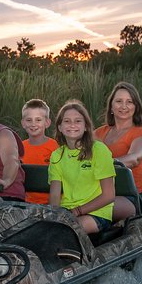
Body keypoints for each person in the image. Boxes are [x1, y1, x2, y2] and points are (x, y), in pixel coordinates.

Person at [49, 100, 115, 234]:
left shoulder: (99, 150)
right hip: (66, 212)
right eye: (67, 121)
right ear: (60, 127)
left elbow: (109, 195)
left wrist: (78, 211)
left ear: (86, 126)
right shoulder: (57, 155)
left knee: (68, 229)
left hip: (96, 213)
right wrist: (55, 215)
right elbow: (55, 195)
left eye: (78, 121)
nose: (72, 125)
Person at [94, 81, 142, 221]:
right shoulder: (98, 133)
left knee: (92, 206)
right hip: (102, 193)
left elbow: (135, 158)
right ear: (111, 106)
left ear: (135, 107)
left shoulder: (140, 133)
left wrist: (103, 164)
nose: (124, 106)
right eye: (119, 101)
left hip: (135, 197)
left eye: (129, 102)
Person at [20, 98, 59, 204]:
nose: (33, 124)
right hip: (26, 202)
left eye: (38, 120)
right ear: (23, 123)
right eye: (29, 120)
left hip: (50, 202)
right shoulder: (20, 147)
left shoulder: (54, 147)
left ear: (47, 122)